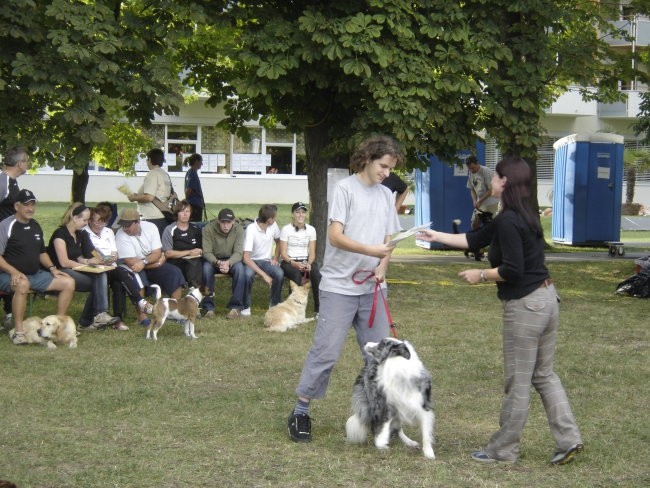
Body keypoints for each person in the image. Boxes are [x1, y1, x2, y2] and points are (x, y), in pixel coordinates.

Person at [417, 156, 583, 465]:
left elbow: (513, 270)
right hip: (547, 300)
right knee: (544, 375)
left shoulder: (508, 220)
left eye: (496, 177)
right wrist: (435, 235)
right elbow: (476, 238)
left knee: (518, 381)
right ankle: (569, 438)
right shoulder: (523, 214)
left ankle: (503, 450)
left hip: (527, 305)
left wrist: (480, 275)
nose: (491, 180)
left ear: (504, 182)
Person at [287, 135, 402, 443]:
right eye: (383, 166)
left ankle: (379, 416)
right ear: (368, 159)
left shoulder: (386, 195)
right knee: (325, 352)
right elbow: (335, 237)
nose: (387, 173)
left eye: (390, 169)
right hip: (338, 287)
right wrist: (371, 250)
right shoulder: (344, 189)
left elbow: (389, 241)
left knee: (381, 356)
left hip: (372, 289)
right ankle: (300, 412)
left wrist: (382, 265)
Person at [0, 189, 76, 345]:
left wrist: (53, 268)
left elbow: (42, 253)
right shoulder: (6, 225)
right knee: (22, 284)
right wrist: (13, 271)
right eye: (26, 205)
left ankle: (57, 326)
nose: (31, 208)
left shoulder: (35, 225)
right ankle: (19, 332)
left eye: (33, 204)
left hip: (35, 274)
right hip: (7, 275)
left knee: (68, 282)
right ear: (16, 206)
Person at [47, 203, 120, 330]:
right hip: (60, 271)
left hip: (75, 268)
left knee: (101, 275)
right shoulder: (60, 234)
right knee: (98, 284)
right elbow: (64, 262)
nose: (86, 223)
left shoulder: (81, 234)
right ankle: (90, 320)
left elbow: (91, 253)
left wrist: (101, 259)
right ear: (75, 218)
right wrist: (85, 263)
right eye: (85, 220)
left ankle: (98, 316)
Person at [83, 205, 153, 330]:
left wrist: (111, 258)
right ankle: (139, 301)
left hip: (111, 267)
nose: (100, 225)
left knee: (118, 282)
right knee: (121, 274)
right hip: (96, 269)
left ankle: (117, 320)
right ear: (90, 220)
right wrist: (103, 259)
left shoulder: (108, 232)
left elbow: (115, 253)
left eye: (103, 222)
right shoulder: (84, 232)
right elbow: (91, 253)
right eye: (97, 221)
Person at [114, 208, 186, 325]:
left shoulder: (151, 227)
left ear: (137, 222)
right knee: (138, 276)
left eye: (128, 225)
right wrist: (154, 263)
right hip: (132, 267)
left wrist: (145, 262)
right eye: (123, 225)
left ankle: (175, 313)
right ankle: (142, 317)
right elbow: (131, 262)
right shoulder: (121, 235)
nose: (125, 228)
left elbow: (157, 252)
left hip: (146, 264)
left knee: (174, 272)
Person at [0, 147, 31, 326]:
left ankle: (10, 313)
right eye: (26, 161)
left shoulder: (12, 182)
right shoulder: (2, 181)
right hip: (2, 238)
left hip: (10, 237)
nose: (27, 165)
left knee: (13, 268)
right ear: (20, 164)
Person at [202, 208, 251, 319]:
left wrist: (228, 263)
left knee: (240, 270)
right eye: (223, 222)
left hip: (232, 259)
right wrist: (218, 262)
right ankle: (208, 307)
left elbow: (239, 252)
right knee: (206, 269)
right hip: (213, 259)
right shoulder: (208, 229)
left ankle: (235, 307)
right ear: (218, 221)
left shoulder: (238, 229)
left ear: (233, 221)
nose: (225, 225)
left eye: (228, 222)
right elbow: (206, 252)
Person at [279, 202, 321, 317]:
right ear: (293, 214)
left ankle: (318, 309)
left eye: (303, 212)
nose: (300, 215)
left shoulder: (311, 230)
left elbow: (312, 253)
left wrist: (309, 263)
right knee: (296, 275)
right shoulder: (286, 229)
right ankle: (292, 309)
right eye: (297, 212)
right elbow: (283, 253)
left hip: (305, 260)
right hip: (289, 261)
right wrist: (294, 263)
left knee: (316, 275)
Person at [242, 204, 284, 314]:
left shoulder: (273, 226)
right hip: (251, 261)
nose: (276, 219)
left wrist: (275, 258)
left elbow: (278, 242)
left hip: (266, 261)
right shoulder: (251, 229)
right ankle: (245, 306)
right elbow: (246, 258)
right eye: (274, 218)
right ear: (269, 220)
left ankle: (274, 305)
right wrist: (264, 275)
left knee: (279, 274)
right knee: (247, 275)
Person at [128, 148, 175, 236]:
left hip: (151, 217)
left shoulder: (152, 174)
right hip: (163, 215)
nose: (146, 162)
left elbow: (149, 197)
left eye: (147, 159)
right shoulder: (164, 173)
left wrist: (134, 198)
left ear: (150, 159)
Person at [162, 200, 205, 289]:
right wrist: (189, 252)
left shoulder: (196, 229)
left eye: (187, 211)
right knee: (191, 265)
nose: (185, 214)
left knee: (196, 263)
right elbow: (168, 253)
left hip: (194, 262)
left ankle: (194, 291)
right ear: (177, 213)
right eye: (182, 211)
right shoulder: (170, 229)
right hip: (176, 261)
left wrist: (200, 251)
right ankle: (192, 291)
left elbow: (202, 249)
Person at [184, 153, 205, 222]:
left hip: (194, 204)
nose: (202, 164)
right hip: (195, 205)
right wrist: (186, 200)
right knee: (195, 225)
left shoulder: (190, 172)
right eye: (201, 161)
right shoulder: (193, 174)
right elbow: (189, 189)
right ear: (196, 161)